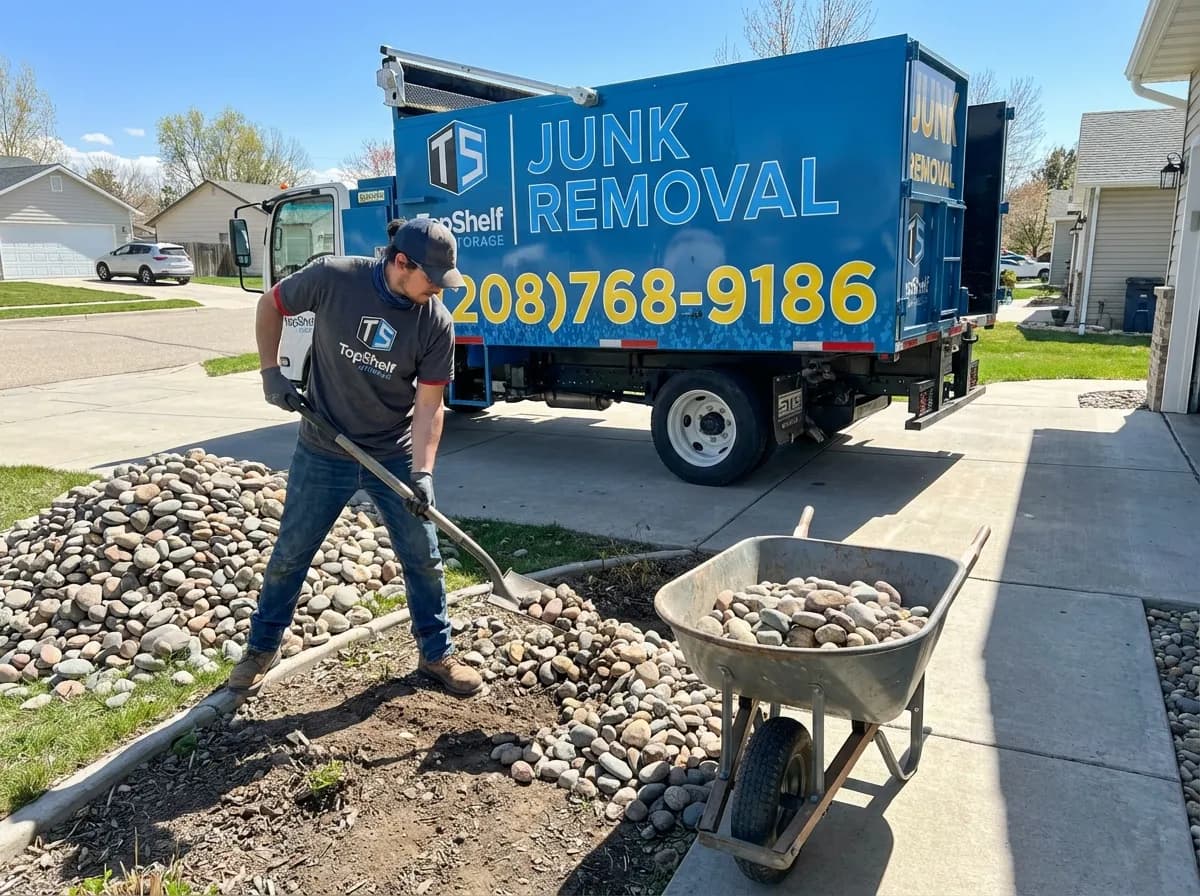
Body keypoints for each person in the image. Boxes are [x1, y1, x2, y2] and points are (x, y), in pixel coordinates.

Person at [226, 217, 483, 698]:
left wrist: (423, 474)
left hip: (392, 454)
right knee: (290, 555)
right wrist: (270, 372)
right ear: (401, 263)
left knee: (423, 558)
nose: (438, 291)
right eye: (432, 279)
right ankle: (262, 648)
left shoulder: (435, 323)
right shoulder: (334, 278)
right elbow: (270, 305)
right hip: (325, 447)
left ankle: (436, 653)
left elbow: (429, 408)